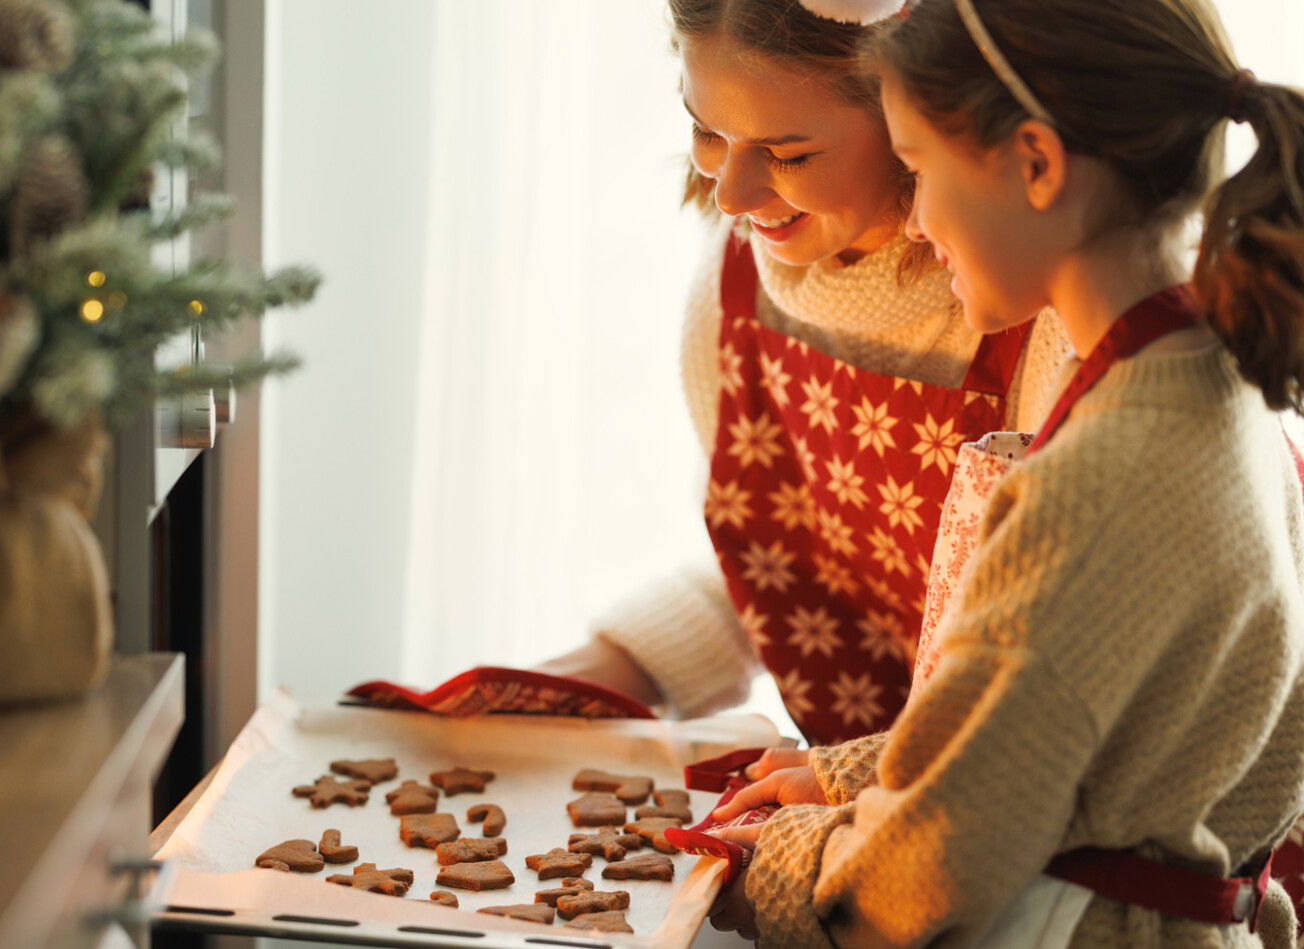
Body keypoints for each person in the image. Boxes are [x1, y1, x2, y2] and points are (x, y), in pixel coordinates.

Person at [705, 0, 1304, 944]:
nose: (919, 217)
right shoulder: (1217, 381)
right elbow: (1076, 731)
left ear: (1036, 163)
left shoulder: (1099, 478)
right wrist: (857, 776)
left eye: (920, 170)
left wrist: (773, 865)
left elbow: (929, 874)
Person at [537, 0, 1072, 747]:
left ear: (918, 120)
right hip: (883, 794)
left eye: (787, 154)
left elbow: (1071, 672)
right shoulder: (734, 279)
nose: (731, 195)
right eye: (706, 131)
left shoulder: (1042, 313)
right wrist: (603, 668)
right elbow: (785, 570)